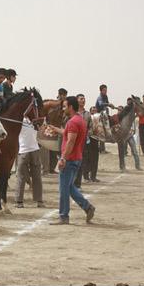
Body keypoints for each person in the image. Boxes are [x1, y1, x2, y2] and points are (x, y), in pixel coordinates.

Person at [48, 96, 95, 225]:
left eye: (64, 107)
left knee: (64, 189)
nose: (63, 109)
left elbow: (70, 141)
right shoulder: (78, 120)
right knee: (69, 187)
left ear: (70, 107)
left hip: (70, 160)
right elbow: (68, 134)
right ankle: (87, 207)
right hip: (76, 158)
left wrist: (63, 158)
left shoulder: (72, 122)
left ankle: (64, 216)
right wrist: (56, 129)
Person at [14, 116, 44, 208]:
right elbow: (40, 132)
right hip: (34, 150)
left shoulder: (19, 120)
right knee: (37, 177)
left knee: (21, 177)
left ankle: (19, 201)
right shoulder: (35, 121)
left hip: (23, 151)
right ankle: (39, 201)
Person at [74, 94, 92, 188]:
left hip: (83, 141)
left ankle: (78, 184)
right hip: (73, 141)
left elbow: (90, 127)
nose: (83, 100)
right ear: (77, 101)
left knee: (80, 162)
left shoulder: (87, 114)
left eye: (84, 99)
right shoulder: (73, 112)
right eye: (81, 99)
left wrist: (87, 133)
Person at [118, 98, 141, 171]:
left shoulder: (130, 113)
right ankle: (122, 166)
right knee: (123, 152)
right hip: (123, 135)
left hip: (129, 134)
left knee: (134, 151)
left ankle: (137, 166)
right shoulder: (121, 116)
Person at [83, 106, 100, 182]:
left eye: (95, 110)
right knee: (87, 159)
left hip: (96, 140)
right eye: (92, 111)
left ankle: (93, 176)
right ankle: (86, 177)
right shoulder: (87, 118)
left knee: (95, 159)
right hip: (88, 140)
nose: (94, 112)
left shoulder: (100, 119)